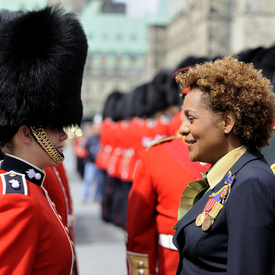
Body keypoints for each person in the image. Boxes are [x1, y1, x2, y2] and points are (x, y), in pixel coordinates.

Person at [0, 5, 87, 274]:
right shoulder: (18, 199)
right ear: (26, 132)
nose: (64, 134)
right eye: (55, 126)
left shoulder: (31, 187)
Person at [172, 56, 275, 274]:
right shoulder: (232, 174)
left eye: (191, 119)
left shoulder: (251, 182)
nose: (182, 129)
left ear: (227, 122)